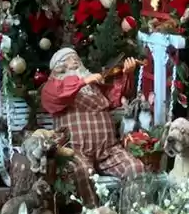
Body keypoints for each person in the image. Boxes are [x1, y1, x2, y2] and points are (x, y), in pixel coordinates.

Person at [39, 47, 144, 189]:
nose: (75, 60)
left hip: (109, 150)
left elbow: (115, 98)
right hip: (75, 151)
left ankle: (133, 210)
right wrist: (83, 81)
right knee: (82, 171)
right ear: (59, 67)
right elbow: (58, 95)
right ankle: (92, 211)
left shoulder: (94, 86)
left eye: (76, 58)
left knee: (135, 167)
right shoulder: (53, 87)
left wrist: (127, 74)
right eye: (69, 58)